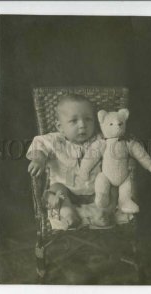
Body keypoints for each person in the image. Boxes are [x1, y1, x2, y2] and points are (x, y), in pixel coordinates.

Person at [26, 94, 116, 229]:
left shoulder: (100, 139)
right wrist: (39, 159)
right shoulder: (55, 140)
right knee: (55, 189)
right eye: (74, 121)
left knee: (114, 188)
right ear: (60, 126)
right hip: (66, 192)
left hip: (96, 193)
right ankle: (68, 213)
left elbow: (117, 143)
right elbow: (39, 143)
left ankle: (104, 213)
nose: (82, 125)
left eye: (88, 119)